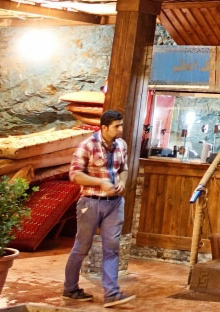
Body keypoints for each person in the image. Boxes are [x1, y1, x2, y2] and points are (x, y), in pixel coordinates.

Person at [63, 110, 136, 307]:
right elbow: (75, 175)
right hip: (91, 202)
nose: (121, 129)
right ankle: (70, 288)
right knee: (82, 247)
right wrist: (100, 182)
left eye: (121, 125)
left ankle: (112, 293)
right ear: (104, 127)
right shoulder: (87, 145)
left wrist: (122, 182)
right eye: (116, 126)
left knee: (112, 248)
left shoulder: (122, 144)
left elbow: (124, 169)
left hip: (115, 203)